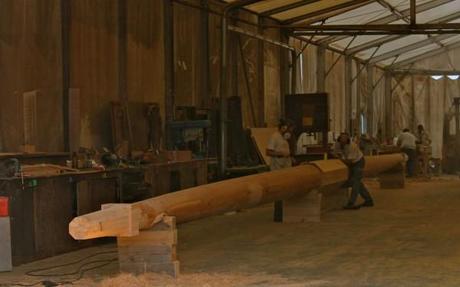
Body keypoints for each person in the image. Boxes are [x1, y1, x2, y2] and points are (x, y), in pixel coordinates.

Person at [334, 132, 374, 210]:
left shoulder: (352, 146)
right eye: (342, 139)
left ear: (347, 139)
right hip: (350, 162)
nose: (343, 140)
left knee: (355, 182)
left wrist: (340, 159)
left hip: (358, 162)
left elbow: (349, 161)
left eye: (345, 139)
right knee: (357, 182)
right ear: (339, 139)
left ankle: (351, 203)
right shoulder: (337, 144)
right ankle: (368, 200)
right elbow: (336, 153)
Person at [266, 119, 293, 221]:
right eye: (288, 129)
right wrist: (281, 154)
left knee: (286, 191)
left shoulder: (284, 138)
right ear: (283, 128)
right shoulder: (275, 137)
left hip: (285, 167)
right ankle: (278, 216)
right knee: (279, 192)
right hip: (277, 168)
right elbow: (268, 152)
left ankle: (286, 214)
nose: (289, 131)